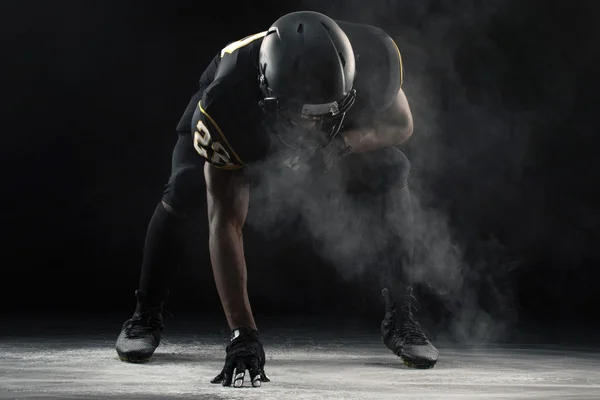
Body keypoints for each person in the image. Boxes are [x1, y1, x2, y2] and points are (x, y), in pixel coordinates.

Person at [115, 11, 439, 387]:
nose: (311, 126)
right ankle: (145, 314)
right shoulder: (227, 101)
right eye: (302, 116)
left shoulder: (373, 56)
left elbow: (401, 124)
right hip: (249, 125)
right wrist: (243, 334)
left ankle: (401, 317)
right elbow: (226, 221)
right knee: (185, 187)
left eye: (321, 115)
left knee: (392, 171)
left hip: (337, 122)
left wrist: (341, 144)